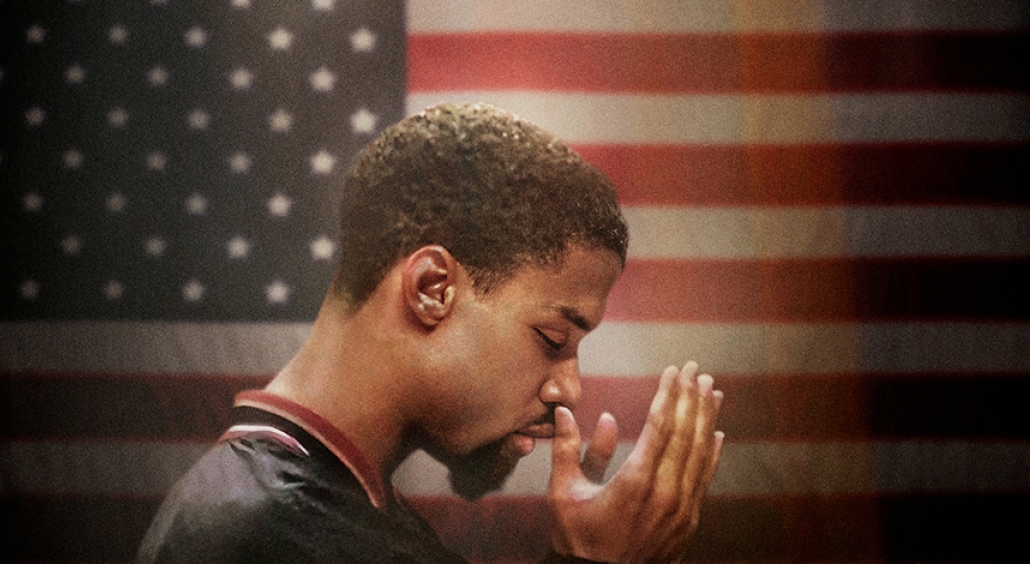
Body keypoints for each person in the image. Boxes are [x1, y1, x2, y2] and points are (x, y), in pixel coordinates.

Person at [135, 102, 724, 564]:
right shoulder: (266, 533)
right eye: (551, 339)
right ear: (431, 288)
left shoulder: (316, 499)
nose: (568, 391)